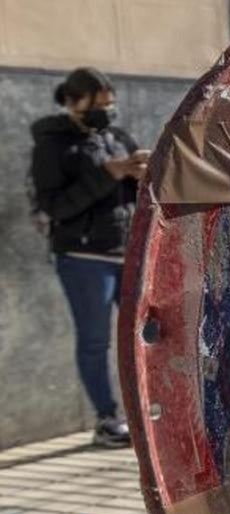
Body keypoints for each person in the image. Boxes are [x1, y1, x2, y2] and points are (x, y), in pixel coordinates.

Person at [30, 67, 149, 447]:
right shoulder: (53, 144)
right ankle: (106, 419)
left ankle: (147, 413)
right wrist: (107, 174)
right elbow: (54, 206)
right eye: (97, 104)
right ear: (72, 101)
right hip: (83, 257)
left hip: (127, 252)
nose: (106, 111)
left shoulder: (116, 137)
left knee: (144, 339)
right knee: (96, 341)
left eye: (110, 104)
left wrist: (142, 173)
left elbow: (136, 191)